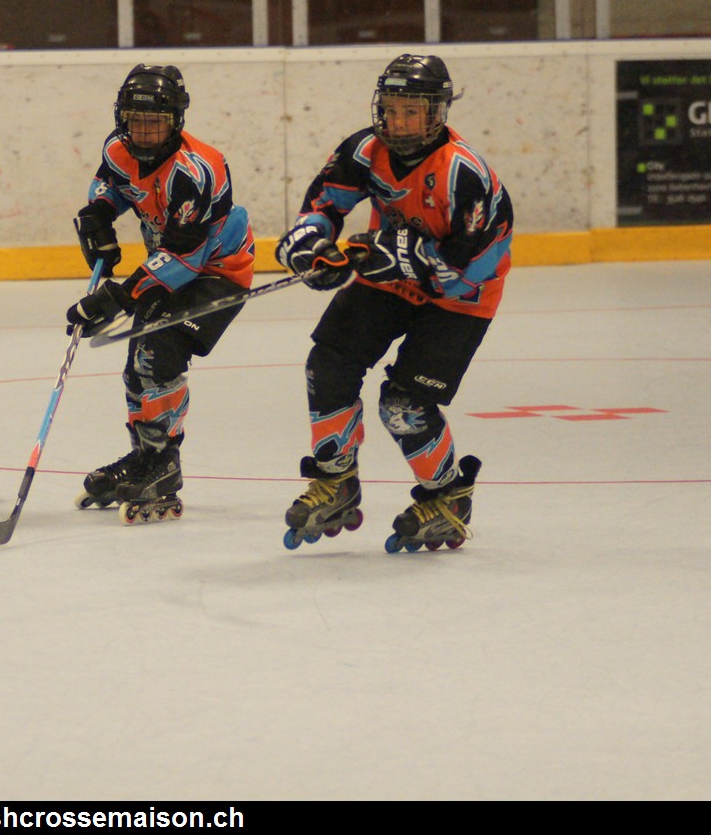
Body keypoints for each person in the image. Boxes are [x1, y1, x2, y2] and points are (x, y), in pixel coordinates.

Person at [274, 53, 513, 551]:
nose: (398, 122)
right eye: (391, 109)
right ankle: (336, 479)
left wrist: (399, 253)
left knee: (403, 404)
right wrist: (313, 246)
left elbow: (463, 270)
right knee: (329, 363)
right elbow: (323, 205)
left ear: (437, 113)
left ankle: (447, 496)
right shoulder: (365, 149)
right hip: (391, 278)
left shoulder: (464, 173)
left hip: (462, 296)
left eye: (412, 111)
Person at [65, 64, 255, 524]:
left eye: (156, 122)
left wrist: (118, 297)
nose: (145, 133)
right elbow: (111, 184)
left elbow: (185, 255)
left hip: (217, 273)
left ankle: (164, 465)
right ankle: (146, 456)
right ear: (122, 118)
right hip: (166, 268)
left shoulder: (196, 170)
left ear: (176, 121)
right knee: (138, 366)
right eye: (136, 121)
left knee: (158, 352)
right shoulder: (117, 147)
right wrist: (98, 216)